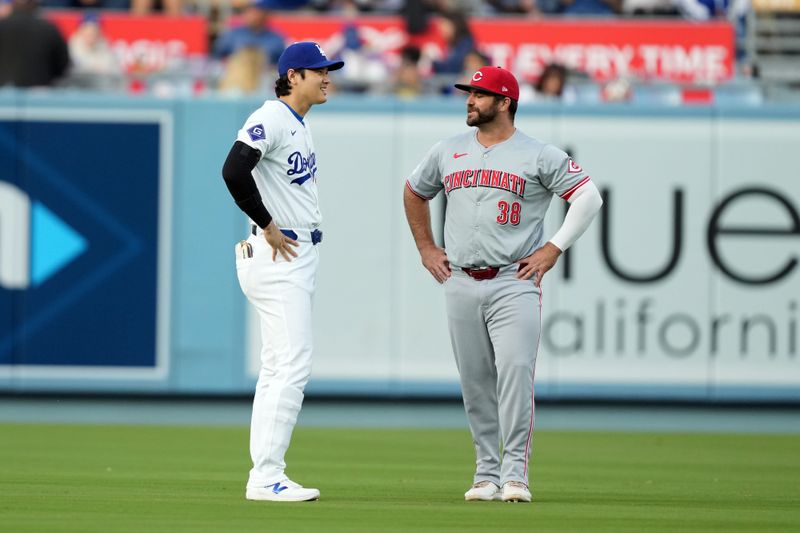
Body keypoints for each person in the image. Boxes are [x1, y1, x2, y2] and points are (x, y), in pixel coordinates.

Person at [403, 66, 603, 503]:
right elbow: (415, 191)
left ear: (505, 102)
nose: (470, 100)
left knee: (513, 373)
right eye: (469, 93)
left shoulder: (538, 154)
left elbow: (588, 196)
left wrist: (554, 248)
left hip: (514, 280)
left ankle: (515, 474)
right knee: (475, 381)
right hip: (459, 278)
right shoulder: (448, 150)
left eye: (479, 94)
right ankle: (485, 474)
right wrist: (426, 247)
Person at [221, 41, 344, 503]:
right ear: (293, 75)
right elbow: (234, 169)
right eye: (319, 70)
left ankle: (265, 473)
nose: (327, 77)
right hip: (278, 251)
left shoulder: (296, 122)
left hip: (292, 253)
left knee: (278, 367)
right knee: (292, 364)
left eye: (328, 70)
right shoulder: (272, 116)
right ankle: (266, 477)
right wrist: (269, 224)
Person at [0, 0, 70, 88]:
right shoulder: (49, 29)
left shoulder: (2, 27)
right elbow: (63, 67)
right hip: (40, 93)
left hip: (4, 93)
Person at [213, 0, 286, 67]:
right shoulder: (233, 35)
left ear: (266, 14)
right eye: (250, 11)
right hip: (236, 75)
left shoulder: (276, 39)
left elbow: (282, 65)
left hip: (264, 76)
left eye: (258, 11)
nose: (254, 15)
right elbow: (215, 58)